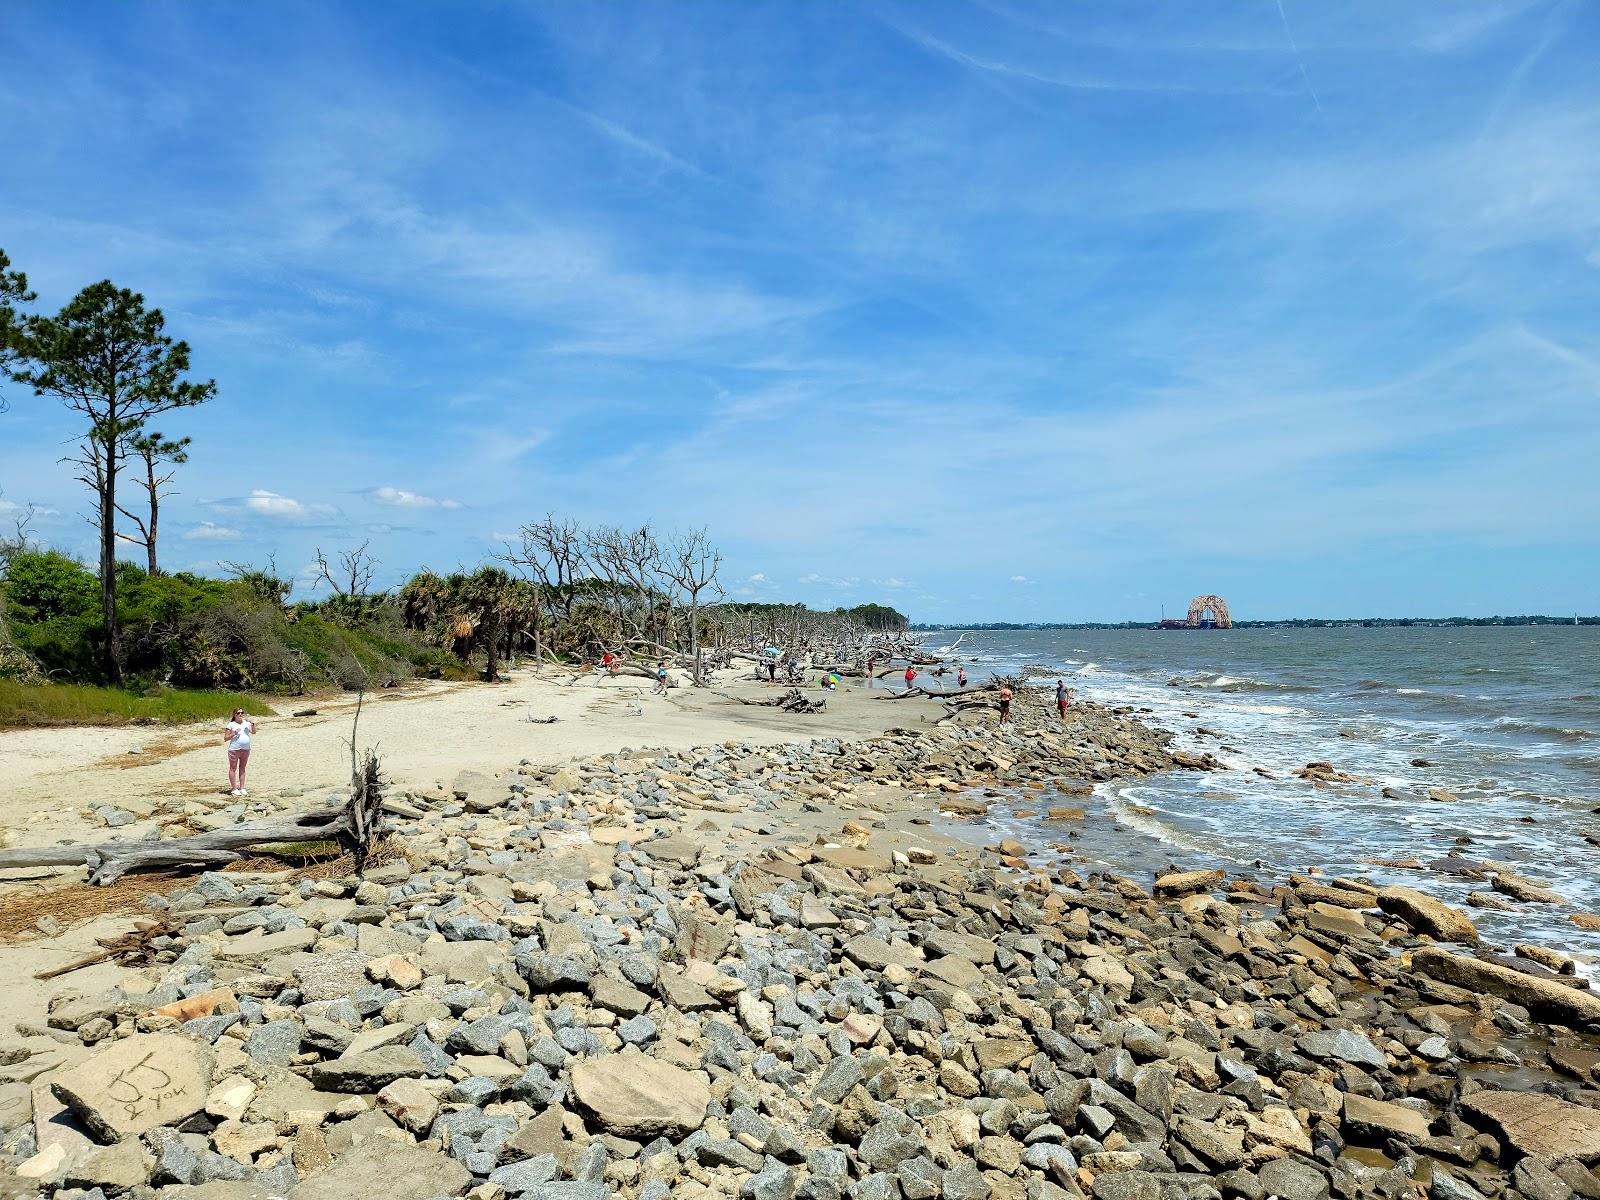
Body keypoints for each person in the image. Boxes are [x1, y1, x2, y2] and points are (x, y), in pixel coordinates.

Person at [224, 708, 256, 796]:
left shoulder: (246, 723)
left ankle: (242, 788)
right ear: (234, 714)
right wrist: (234, 733)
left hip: (245, 749)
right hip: (234, 749)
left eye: (242, 713)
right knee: (233, 768)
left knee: (242, 767)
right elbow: (225, 738)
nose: (240, 714)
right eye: (238, 713)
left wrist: (252, 724)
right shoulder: (231, 724)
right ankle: (234, 788)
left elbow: (253, 732)